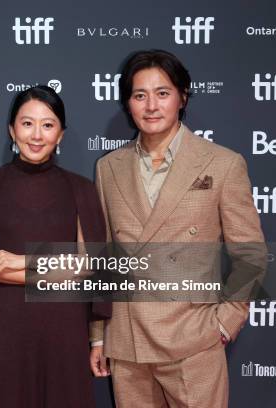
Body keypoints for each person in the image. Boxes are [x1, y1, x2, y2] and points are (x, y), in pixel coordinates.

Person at [89, 49, 265, 407]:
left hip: (192, 341)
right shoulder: (109, 167)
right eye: (140, 95)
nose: (151, 105)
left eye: (162, 93)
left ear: (182, 97)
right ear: (128, 103)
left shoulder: (223, 163)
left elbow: (250, 255)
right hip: (128, 342)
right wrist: (98, 335)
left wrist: (224, 322)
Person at [0, 85, 110, 408]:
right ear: (11, 130)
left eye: (48, 125)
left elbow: (90, 269)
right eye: (27, 123)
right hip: (5, 331)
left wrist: (20, 260)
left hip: (66, 333)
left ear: (60, 134)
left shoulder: (81, 190)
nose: (37, 135)